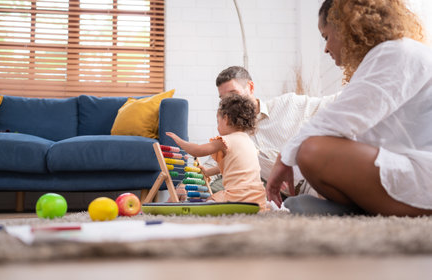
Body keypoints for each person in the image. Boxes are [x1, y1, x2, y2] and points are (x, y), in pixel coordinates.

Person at [266, 0, 432, 217]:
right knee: (317, 152)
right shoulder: (393, 55)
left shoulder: (395, 52)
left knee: (311, 151)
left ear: (347, 26)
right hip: (417, 170)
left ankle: (353, 211)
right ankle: (349, 210)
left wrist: (284, 159)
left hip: (424, 176)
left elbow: (335, 121)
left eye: (326, 37)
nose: (325, 48)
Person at [211, 66, 339, 197]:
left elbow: (334, 102)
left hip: (317, 179)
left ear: (250, 87)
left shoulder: (289, 104)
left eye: (233, 94)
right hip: (286, 196)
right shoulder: (233, 135)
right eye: (223, 99)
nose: (229, 102)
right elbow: (213, 162)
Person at [166, 93, 268, 211]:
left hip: (236, 197)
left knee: (210, 200)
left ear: (226, 118)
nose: (217, 127)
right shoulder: (249, 142)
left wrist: (180, 141)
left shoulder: (224, 141)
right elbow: (233, 166)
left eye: (218, 121)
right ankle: (268, 206)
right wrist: (208, 172)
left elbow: (198, 151)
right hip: (257, 198)